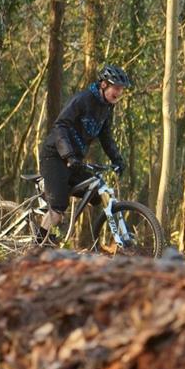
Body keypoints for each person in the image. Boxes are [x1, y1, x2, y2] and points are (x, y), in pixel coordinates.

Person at [37, 64, 132, 245]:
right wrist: (69, 155)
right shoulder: (82, 99)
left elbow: (106, 136)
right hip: (55, 156)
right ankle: (36, 247)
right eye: (116, 88)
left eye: (121, 89)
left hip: (74, 161)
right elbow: (60, 126)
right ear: (104, 85)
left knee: (97, 192)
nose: (119, 93)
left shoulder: (107, 107)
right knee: (57, 210)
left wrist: (117, 159)